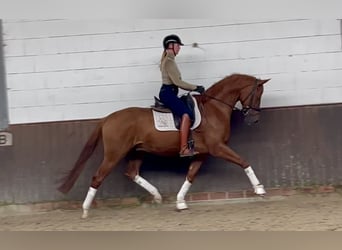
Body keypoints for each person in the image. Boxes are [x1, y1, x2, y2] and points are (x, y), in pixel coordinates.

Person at [159, 34, 205, 157]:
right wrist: (196, 87)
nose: (179, 48)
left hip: (170, 92)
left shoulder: (169, 60)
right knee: (186, 114)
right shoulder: (169, 62)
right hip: (168, 94)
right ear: (171, 46)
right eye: (178, 45)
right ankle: (183, 149)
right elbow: (178, 82)